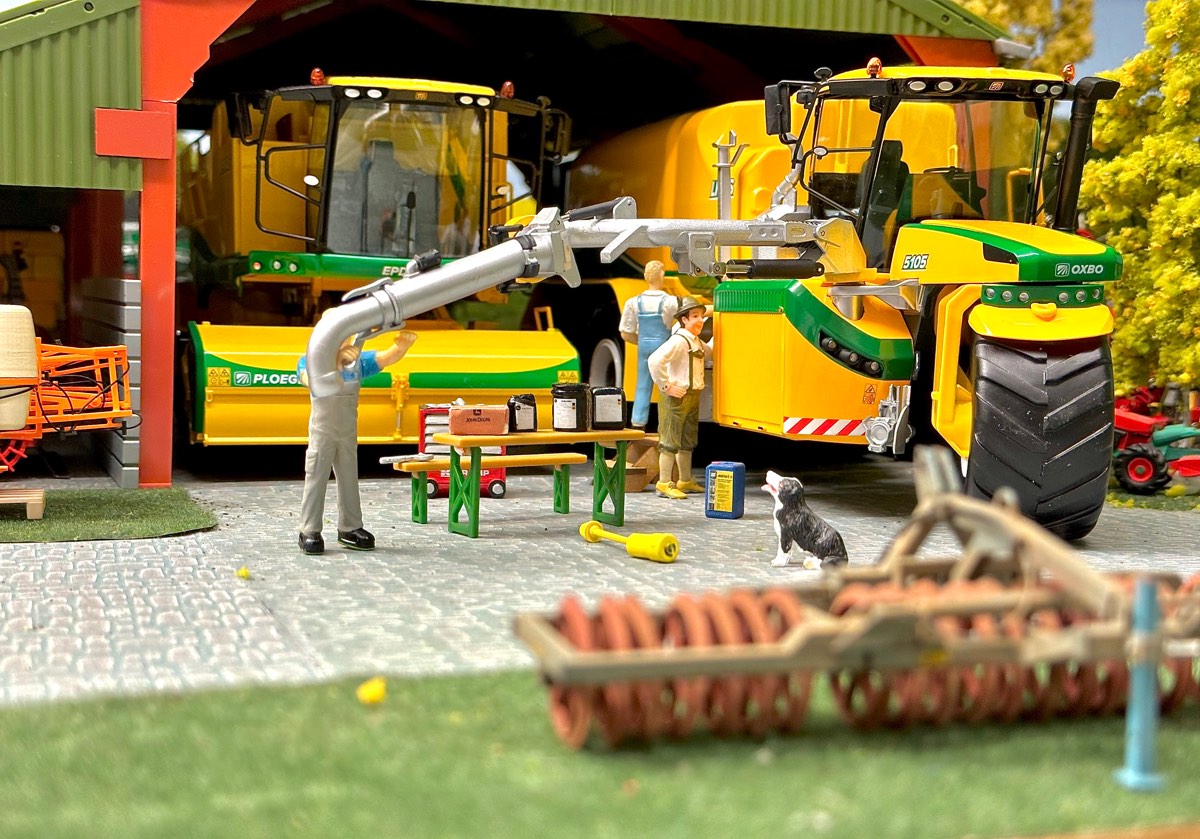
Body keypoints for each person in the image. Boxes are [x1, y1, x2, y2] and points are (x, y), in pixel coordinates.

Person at [298, 327, 418, 554]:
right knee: (316, 476)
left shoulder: (358, 362)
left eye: (344, 334)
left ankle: (350, 527)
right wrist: (334, 366)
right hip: (322, 433)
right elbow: (310, 380)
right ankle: (309, 530)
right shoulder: (312, 359)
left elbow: (385, 358)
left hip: (347, 433)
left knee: (349, 478)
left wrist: (401, 346)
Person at [647, 296, 711, 500]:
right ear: (684, 319)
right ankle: (664, 482)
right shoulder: (679, 341)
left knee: (687, 441)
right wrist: (666, 386)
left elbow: (711, 353)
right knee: (669, 441)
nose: (700, 320)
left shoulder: (696, 341)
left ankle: (685, 480)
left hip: (692, 397)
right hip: (676, 399)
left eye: (701, 316)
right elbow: (654, 360)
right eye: (695, 316)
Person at [618, 260, 678, 428]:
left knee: (643, 386)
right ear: (662, 276)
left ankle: (638, 423)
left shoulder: (633, 302)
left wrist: (642, 341)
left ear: (645, 276)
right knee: (667, 385)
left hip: (644, 347)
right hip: (664, 348)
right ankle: (667, 424)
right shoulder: (670, 301)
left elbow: (625, 333)